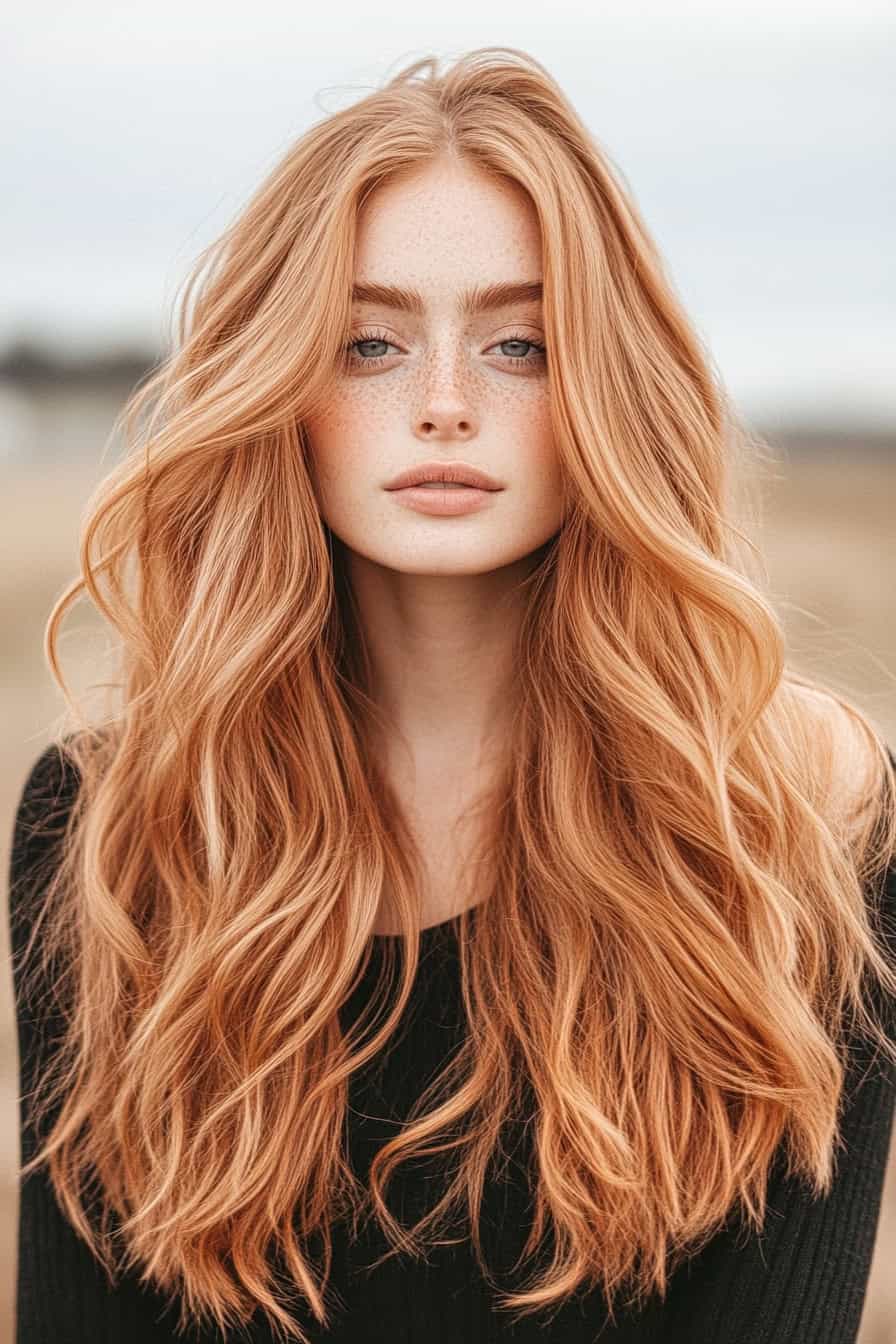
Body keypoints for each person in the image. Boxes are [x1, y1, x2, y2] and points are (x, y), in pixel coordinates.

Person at [8, 46, 896, 1344]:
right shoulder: (112, 825)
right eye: (368, 342)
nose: (442, 406)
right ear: (284, 388)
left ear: (605, 383)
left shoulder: (799, 829)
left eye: (519, 344)